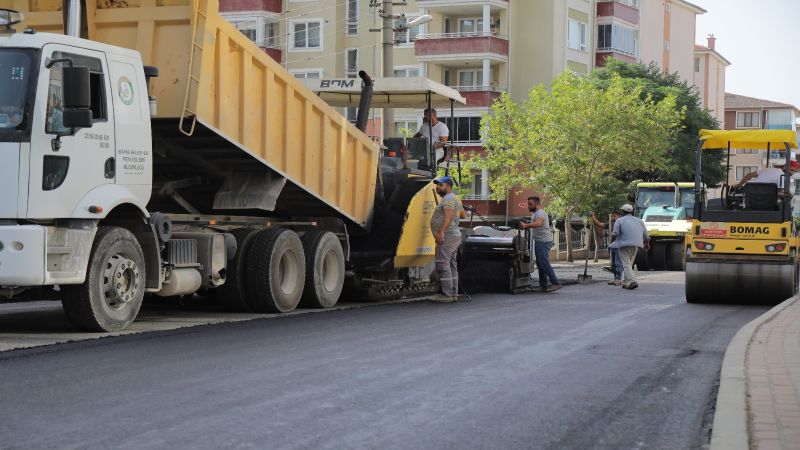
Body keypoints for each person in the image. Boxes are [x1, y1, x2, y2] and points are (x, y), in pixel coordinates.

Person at [429, 176, 464, 303]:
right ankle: (453, 293)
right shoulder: (455, 198)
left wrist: (441, 232)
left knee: (442, 263)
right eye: (437, 185)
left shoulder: (448, 199)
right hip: (454, 235)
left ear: (448, 186)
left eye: (440, 185)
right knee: (451, 264)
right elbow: (463, 215)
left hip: (447, 236)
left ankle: (447, 294)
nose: (437, 187)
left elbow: (448, 216)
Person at [519, 196, 561, 292]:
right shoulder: (535, 213)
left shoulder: (540, 213)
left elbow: (538, 224)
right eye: (528, 204)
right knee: (540, 263)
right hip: (540, 241)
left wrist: (526, 225)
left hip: (544, 242)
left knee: (543, 263)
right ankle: (543, 285)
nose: (528, 206)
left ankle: (556, 283)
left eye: (530, 204)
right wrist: (527, 224)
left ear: (537, 204)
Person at [612, 204, 650, 290]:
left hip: (624, 245)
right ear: (632, 212)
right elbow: (646, 236)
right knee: (629, 264)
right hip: (635, 245)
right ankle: (626, 282)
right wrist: (647, 244)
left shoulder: (619, 220)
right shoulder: (640, 221)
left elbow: (615, 233)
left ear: (622, 212)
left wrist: (613, 239)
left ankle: (632, 281)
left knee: (626, 264)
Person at [591, 211, 623, 286]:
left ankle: (618, 279)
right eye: (611, 216)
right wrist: (593, 217)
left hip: (619, 245)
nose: (612, 218)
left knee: (618, 263)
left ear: (619, 217)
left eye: (614, 216)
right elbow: (600, 224)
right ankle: (615, 278)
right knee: (613, 264)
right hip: (612, 246)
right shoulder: (610, 224)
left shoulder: (622, 224)